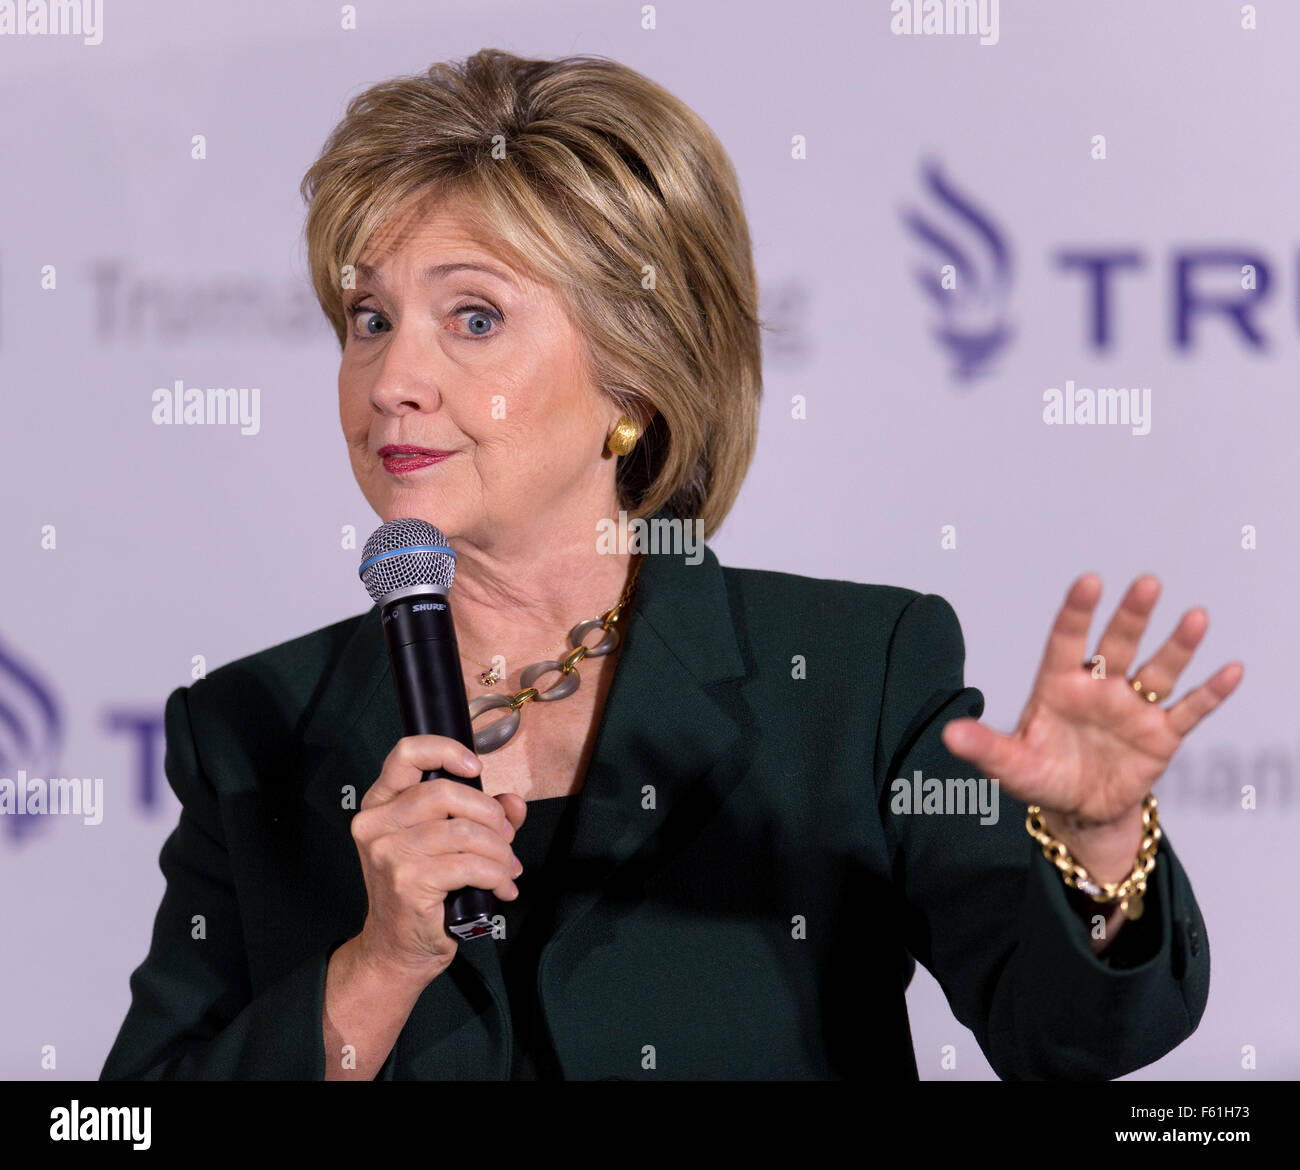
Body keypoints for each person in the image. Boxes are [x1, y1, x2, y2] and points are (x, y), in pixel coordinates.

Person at [100, 48, 1240, 1081]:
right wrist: (375, 970)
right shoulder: (249, 727)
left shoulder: (850, 677)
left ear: (635, 381)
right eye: (367, 317)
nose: (394, 376)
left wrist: (1097, 854)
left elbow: (1072, 1036)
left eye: (475, 319)